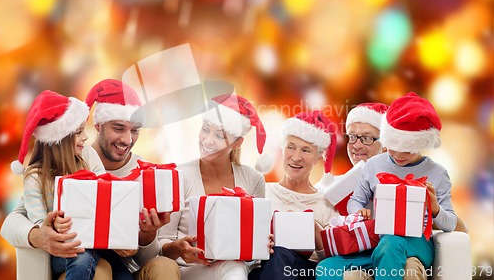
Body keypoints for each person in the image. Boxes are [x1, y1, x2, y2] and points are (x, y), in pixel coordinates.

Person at [1, 79, 180, 280]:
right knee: (95, 266)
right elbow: (13, 222)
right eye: (119, 128)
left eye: (135, 130)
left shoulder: (145, 174)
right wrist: (41, 233)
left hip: (112, 256)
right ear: (98, 125)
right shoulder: (44, 173)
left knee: (145, 268)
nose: (128, 140)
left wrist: (142, 237)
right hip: (75, 256)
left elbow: (142, 256)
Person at [316, 92, 457, 280]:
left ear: (422, 143)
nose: (398, 155)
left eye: (407, 149)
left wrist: (435, 209)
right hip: (376, 243)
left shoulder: (437, 173)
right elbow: (354, 202)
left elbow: (451, 224)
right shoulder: (374, 165)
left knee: (391, 243)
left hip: (416, 244)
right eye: (392, 146)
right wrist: (359, 212)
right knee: (325, 268)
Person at [10, 90, 124, 280]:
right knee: (81, 256)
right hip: (63, 250)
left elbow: (106, 194)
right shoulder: (35, 177)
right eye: (79, 133)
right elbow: (39, 224)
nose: (86, 138)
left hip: (95, 240)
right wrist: (54, 224)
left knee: (121, 271)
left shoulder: (86, 157)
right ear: (59, 141)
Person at [157, 94, 267, 280]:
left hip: (234, 269)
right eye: (205, 130)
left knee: (234, 267)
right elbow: (161, 243)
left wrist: (261, 243)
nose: (208, 140)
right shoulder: (178, 176)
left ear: (238, 142)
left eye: (220, 135)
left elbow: (255, 258)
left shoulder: (253, 179)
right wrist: (178, 248)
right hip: (185, 270)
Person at [249, 110, 340, 280]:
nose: (296, 157)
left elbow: (333, 264)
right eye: (291, 147)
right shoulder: (261, 192)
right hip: (264, 270)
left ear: (319, 157)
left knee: (281, 254)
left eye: (306, 150)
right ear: (283, 150)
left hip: (305, 273)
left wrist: (314, 231)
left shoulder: (327, 204)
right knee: (275, 256)